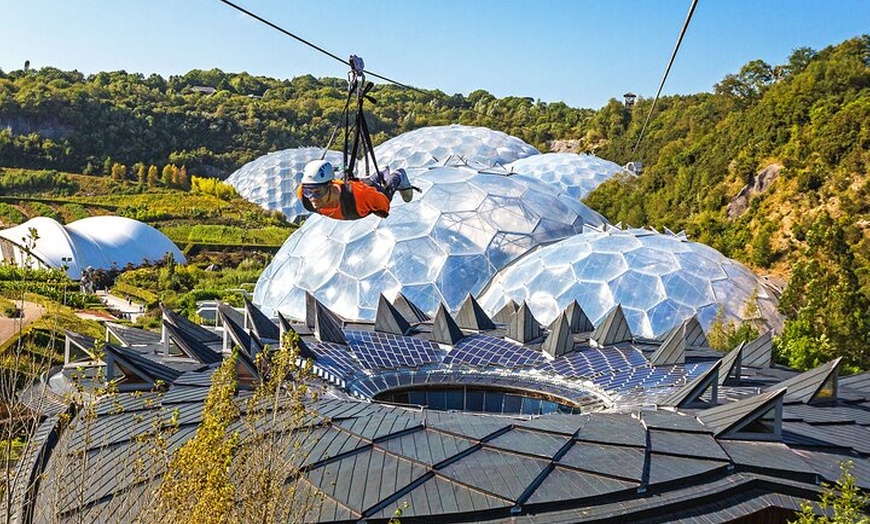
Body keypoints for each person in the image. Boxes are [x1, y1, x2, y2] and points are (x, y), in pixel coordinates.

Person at [297, 160, 416, 220]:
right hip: (354, 186)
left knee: (383, 191)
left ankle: (399, 175)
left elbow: (384, 207)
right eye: (308, 191)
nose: (312, 198)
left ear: (330, 186)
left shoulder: (362, 197)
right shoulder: (304, 196)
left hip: (364, 191)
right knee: (367, 181)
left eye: (318, 192)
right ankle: (381, 172)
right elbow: (309, 191)